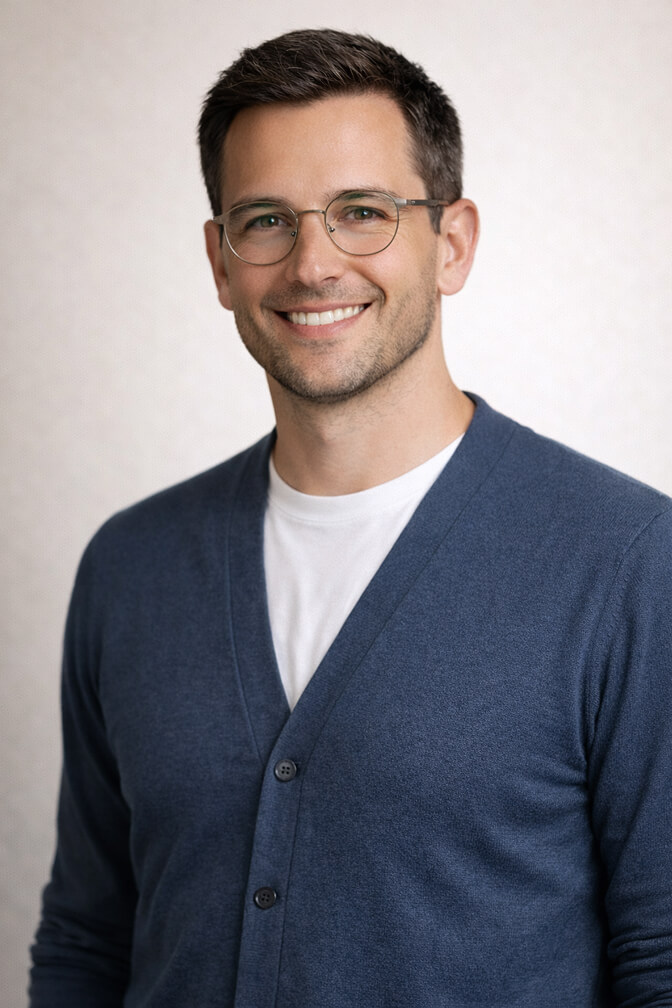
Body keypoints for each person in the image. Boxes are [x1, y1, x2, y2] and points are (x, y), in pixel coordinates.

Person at [29, 28, 672, 1008]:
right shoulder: (129, 567)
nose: (313, 264)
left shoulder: (626, 561)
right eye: (266, 221)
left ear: (450, 244)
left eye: (363, 212)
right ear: (219, 260)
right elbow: (87, 937)